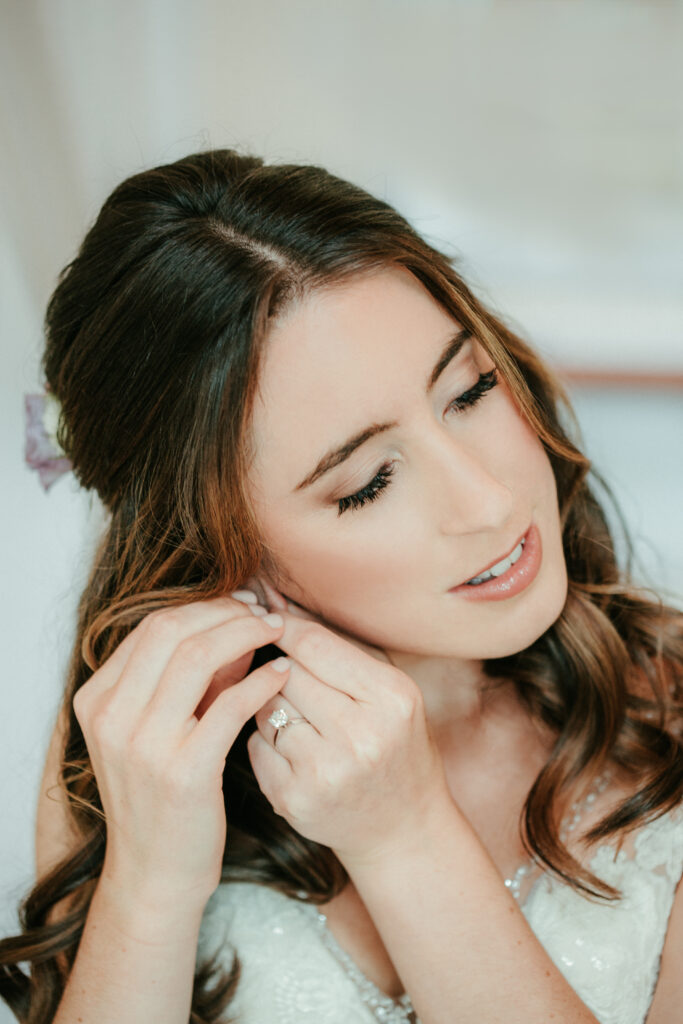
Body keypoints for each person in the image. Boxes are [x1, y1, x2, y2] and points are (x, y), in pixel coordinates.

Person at [0, 148, 681, 1024]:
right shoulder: (138, 752)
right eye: (366, 482)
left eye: (470, 391)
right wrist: (152, 886)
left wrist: (405, 837)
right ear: (220, 551)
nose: (489, 499)